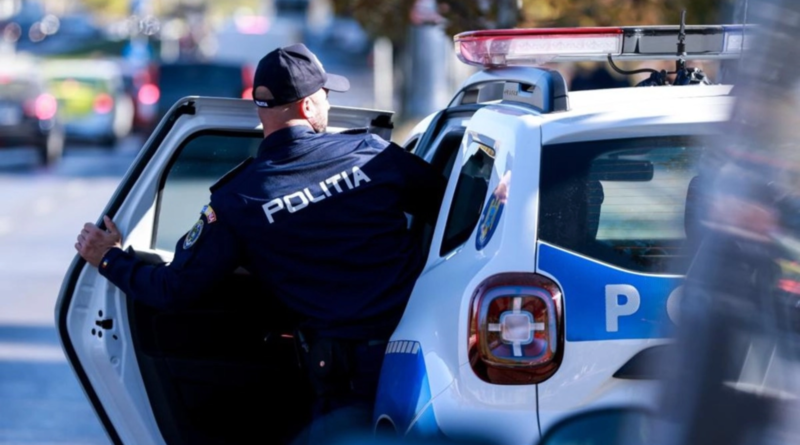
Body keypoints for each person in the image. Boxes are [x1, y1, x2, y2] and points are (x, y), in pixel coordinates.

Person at [74, 43, 447, 443]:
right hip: (424, 351)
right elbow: (452, 207)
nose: (327, 103)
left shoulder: (239, 199)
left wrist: (108, 258)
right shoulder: (372, 154)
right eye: (325, 95)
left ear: (261, 107)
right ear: (308, 105)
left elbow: (173, 289)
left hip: (341, 373)